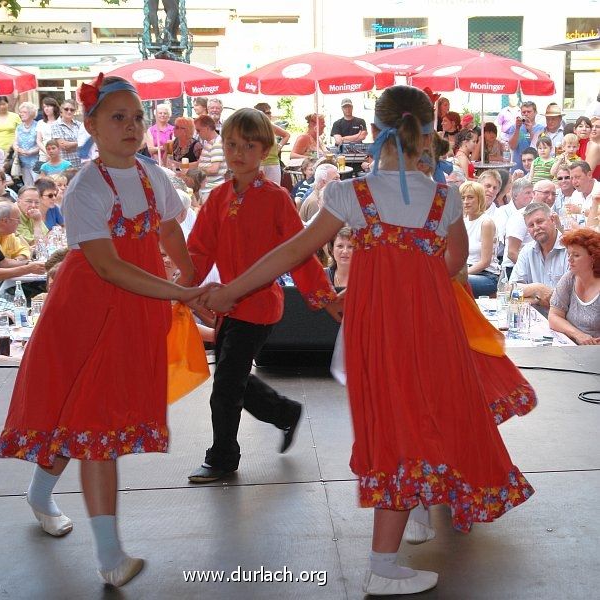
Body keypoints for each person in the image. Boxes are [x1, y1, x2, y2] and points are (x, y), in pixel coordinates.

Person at [201, 85, 534, 596]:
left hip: (376, 332)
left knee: (393, 422)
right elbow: (453, 266)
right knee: (430, 413)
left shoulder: (349, 196)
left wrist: (231, 290)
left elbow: (289, 254)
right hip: (433, 328)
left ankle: (409, 525)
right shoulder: (444, 198)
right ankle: (385, 560)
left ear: (375, 133)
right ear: (428, 137)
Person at [0, 74, 202, 588]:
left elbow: (171, 228)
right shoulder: (87, 184)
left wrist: (191, 278)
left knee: (88, 418)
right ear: (91, 125)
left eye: (136, 117)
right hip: (87, 315)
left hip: (136, 311)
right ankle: (110, 557)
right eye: (118, 117)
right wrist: (178, 291)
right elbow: (108, 266)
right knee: (91, 424)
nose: (131, 126)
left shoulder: (152, 173)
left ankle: (40, 495)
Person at [185, 107, 338, 485]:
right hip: (226, 307)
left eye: (248, 145)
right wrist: (183, 288)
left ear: (265, 149)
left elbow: (299, 253)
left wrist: (325, 297)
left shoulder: (276, 198)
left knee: (225, 386)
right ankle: (285, 413)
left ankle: (222, 458)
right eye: (232, 144)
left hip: (259, 307)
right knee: (232, 378)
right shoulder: (218, 198)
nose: (238, 152)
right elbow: (199, 249)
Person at [509, 202, 569, 310]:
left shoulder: (570, 250)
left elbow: (573, 299)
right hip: (535, 319)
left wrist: (531, 296)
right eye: (531, 225)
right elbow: (511, 291)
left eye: (540, 221)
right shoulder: (527, 251)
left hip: (565, 320)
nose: (536, 227)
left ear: (552, 220)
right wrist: (537, 289)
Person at [549, 228, 600, 344]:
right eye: (569, 254)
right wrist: (578, 334)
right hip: (571, 347)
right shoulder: (569, 278)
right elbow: (554, 316)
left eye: (576, 255)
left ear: (593, 257)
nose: (569, 259)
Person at [461, 181, 499, 296]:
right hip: (465, 271)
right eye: (463, 198)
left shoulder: (486, 223)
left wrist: (461, 275)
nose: (466, 202)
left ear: (480, 199)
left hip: (486, 276)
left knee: (454, 282)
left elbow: (485, 262)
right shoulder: (463, 221)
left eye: (470, 197)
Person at [254, 103, 290, 185]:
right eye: (268, 113)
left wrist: (279, 146)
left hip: (273, 163)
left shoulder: (271, 126)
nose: (271, 115)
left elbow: (286, 135)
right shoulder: (252, 128)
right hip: (258, 164)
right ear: (261, 114)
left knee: (275, 189)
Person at [194, 114, 227, 201]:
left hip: (212, 190)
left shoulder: (217, 144)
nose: (197, 133)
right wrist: (178, 165)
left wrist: (199, 169)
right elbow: (199, 164)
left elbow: (214, 169)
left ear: (207, 128)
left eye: (198, 130)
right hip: (208, 189)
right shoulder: (210, 143)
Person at [13, 102, 40, 187]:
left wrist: (31, 152)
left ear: (31, 113)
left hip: (37, 161)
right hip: (23, 161)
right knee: (28, 185)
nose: (21, 114)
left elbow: (41, 143)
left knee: (38, 184)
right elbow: (15, 142)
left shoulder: (38, 125)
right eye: (20, 112)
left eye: (24, 112)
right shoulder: (19, 127)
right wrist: (17, 149)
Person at [51, 99, 81, 169]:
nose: (69, 111)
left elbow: (86, 141)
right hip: (64, 166)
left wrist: (72, 144)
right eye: (66, 109)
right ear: (61, 110)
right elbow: (64, 146)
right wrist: (79, 142)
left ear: (75, 111)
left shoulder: (79, 125)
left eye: (72, 110)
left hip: (80, 164)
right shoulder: (56, 125)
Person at [35, 97, 61, 171]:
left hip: (58, 154)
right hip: (43, 154)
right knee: (41, 178)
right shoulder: (40, 122)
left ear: (54, 107)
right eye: (44, 107)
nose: (46, 108)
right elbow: (38, 140)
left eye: (48, 106)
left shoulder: (60, 122)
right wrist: (47, 152)